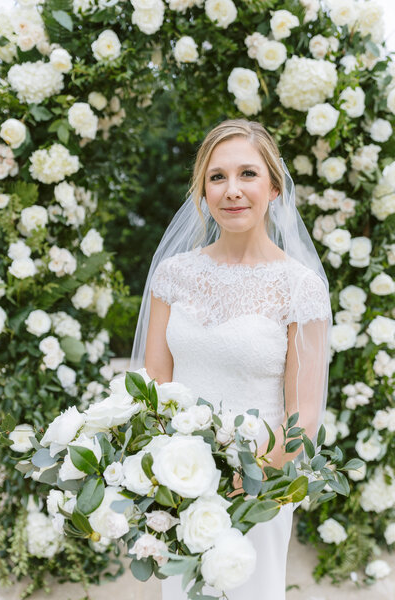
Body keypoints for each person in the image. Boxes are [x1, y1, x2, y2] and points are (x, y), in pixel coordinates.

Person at [130, 119, 332, 599]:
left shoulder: (299, 287)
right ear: (201, 191)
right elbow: (154, 382)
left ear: (275, 189)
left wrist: (247, 482)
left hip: (262, 488)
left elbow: (304, 413)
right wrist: (172, 476)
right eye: (217, 177)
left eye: (248, 174)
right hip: (179, 485)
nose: (232, 190)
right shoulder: (173, 275)